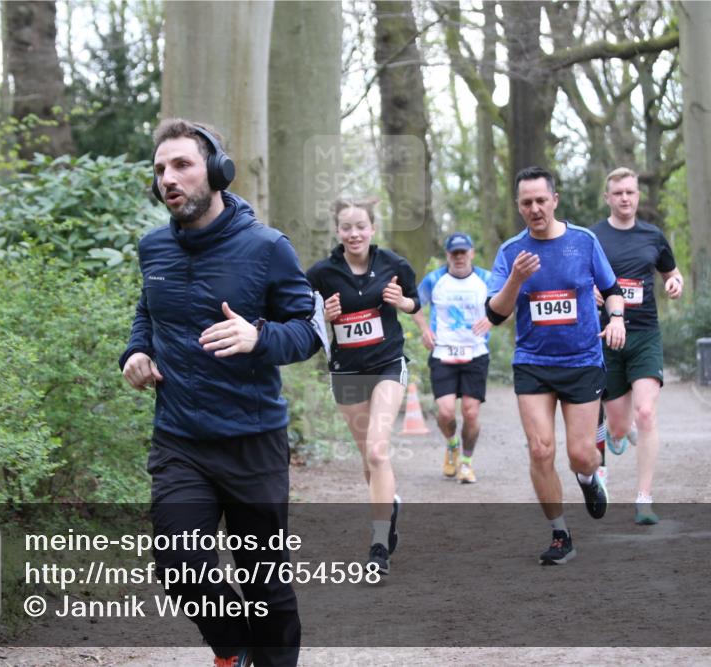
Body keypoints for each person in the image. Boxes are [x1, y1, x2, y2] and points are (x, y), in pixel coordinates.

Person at [120, 118, 321, 667]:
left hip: (252, 440)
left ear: (218, 171)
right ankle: (233, 647)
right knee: (177, 560)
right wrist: (135, 353)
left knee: (266, 587)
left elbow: (310, 330)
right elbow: (147, 313)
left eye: (182, 164)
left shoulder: (267, 248)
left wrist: (260, 336)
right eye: (160, 169)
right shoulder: (154, 248)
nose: (168, 178)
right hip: (181, 439)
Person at [485, 166, 626, 565]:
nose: (534, 209)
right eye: (526, 203)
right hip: (533, 363)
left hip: (582, 361)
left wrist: (616, 319)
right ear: (518, 206)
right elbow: (496, 315)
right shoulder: (512, 252)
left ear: (554, 200)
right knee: (540, 449)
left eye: (541, 201)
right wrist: (515, 279)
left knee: (581, 455)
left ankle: (588, 477)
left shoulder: (583, 242)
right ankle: (560, 533)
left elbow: (613, 290)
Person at [305, 197, 420, 575]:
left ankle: (378, 544)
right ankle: (390, 502)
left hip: (387, 364)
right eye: (346, 227)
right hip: (347, 372)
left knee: (376, 451)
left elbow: (414, 304)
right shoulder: (321, 273)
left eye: (361, 226)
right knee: (369, 463)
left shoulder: (394, 264)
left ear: (373, 229)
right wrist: (324, 314)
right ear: (338, 232)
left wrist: (401, 301)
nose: (354, 233)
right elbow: (303, 320)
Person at [591, 167, 684, 525]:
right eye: (618, 193)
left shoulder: (653, 236)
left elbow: (670, 273)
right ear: (608, 198)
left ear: (637, 196)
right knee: (616, 427)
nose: (625, 198)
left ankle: (644, 498)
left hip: (645, 334)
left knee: (646, 413)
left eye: (630, 192)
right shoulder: (593, 237)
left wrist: (676, 284)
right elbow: (579, 279)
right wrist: (590, 291)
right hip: (606, 337)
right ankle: (620, 432)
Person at [411, 232, 492, 484]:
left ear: (471, 253)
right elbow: (414, 304)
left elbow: (506, 304)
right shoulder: (435, 280)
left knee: (470, 412)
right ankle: (452, 445)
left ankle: (466, 463)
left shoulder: (486, 279)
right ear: (447, 255)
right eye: (454, 253)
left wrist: (491, 319)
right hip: (443, 351)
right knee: (445, 413)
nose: (459, 257)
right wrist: (425, 329)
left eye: (463, 252)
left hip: (475, 352)